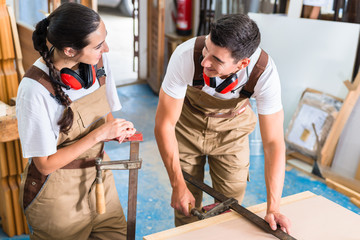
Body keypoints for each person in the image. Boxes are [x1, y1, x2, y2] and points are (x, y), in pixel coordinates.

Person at [154, 14, 291, 233]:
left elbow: (273, 142)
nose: (204, 61)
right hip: (187, 125)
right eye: (207, 49)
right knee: (185, 204)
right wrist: (177, 185)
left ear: (242, 64)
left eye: (217, 60)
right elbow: (164, 125)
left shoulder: (264, 73)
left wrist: (274, 208)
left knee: (230, 203)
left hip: (232, 131)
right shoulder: (185, 56)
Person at [16, 3, 136, 240]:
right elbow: (45, 165)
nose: (107, 49)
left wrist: (116, 128)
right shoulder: (34, 89)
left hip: (99, 176)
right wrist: (99, 134)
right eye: (98, 45)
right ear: (70, 51)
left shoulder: (98, 62)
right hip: (57, 195)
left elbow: (106, 113)